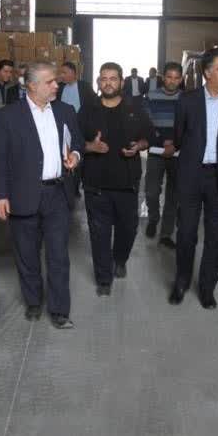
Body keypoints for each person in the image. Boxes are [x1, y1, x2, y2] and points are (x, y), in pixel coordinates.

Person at [0, 61, 83, 329]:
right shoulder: (8, 116)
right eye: (49, 82)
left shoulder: (65, 111)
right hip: (23, 194)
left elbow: (77, 142)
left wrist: (75, 156)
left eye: (56, 81)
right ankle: (33, 301)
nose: (56, 85)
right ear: (31, 86)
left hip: (57, 194)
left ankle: (59, 309)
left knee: (58, 255)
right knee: (27, 253)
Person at [169, 48, 218, 310]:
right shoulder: (187, 101)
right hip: (191, 176)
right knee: (186, 233)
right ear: (207, 73)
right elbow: (179, 136)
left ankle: (207, 288)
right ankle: (181, 282)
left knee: (216, 236)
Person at [78, 63, 153, 295]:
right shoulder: (87, 110)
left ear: (121, 82)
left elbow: (149, 136)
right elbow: (73, 142)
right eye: (104, 79)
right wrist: (90, 146)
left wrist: (138, 147)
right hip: (95, 184)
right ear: (98, 82)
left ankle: (120, 259)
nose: (108, 83)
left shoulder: (135, 108)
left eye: (113, 78)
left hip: (127, 183)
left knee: (128, 229)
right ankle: (103, 279)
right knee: (99, 233)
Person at [143, 62, 183, 248]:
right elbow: (146, 123)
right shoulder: (151, 96)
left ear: (181, 79)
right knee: (151, 191)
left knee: (173, 195)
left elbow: (189, 125)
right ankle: (153, 217)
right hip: (156, 151)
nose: (172, 81)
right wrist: (163, 141)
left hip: (178, 153)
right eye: (169, 77)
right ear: (163, 77)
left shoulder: (186, 99)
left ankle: (166, 233)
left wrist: (175, 144)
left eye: (176, 78)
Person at [56, 61, 97, 200]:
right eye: (61, 73)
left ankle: (77, 186)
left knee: (79, 154)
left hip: (80, 126)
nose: (62, 75)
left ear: (74, 73)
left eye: (64, 72)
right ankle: (67, 185)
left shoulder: (84, 86)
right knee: (65, 154)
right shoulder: (59, 87)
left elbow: (94, 104)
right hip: (63, 127)